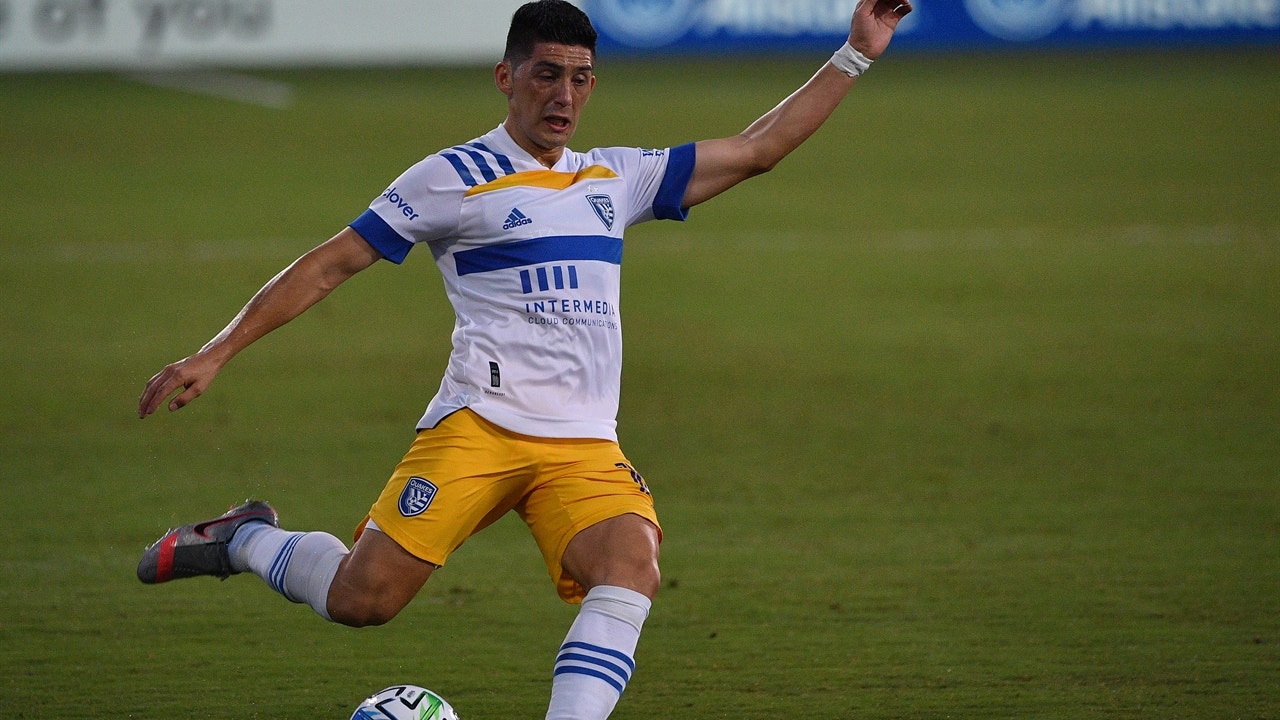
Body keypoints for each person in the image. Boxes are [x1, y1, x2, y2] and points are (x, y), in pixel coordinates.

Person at [135, 1, 913, 718]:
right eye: (546, 74)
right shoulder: (452, 178)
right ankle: (244, 538)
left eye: (580, 79)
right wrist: (217, 351)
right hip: (478, 425)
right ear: (507, 77)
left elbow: (757, 149)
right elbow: (332, 262)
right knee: (362, 600)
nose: (563, 96)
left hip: (582, 443)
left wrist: (856, 52)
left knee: (630, 566)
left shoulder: (615, 176)